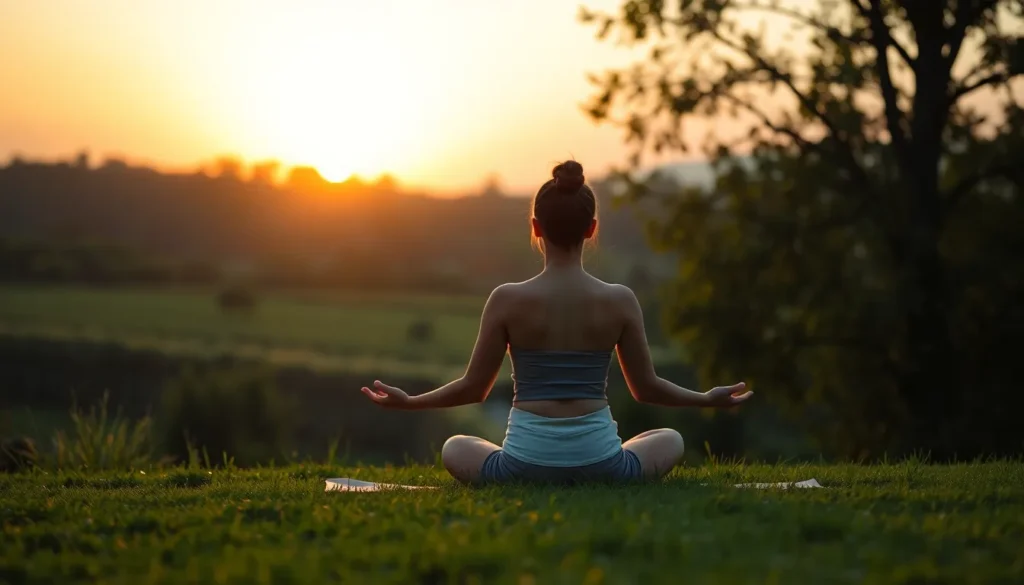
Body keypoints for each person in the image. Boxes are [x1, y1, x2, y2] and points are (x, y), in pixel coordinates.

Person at [360, 161, 753, 485]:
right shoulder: (620, 300)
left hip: (520, 469)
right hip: (604, 468)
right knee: (669, 439)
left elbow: (473, 388)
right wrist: (705, 399)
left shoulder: (506, 299)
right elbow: (646, 388)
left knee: (456, 446)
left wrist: (411, 402)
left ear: (535, 227)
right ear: (592, 229)